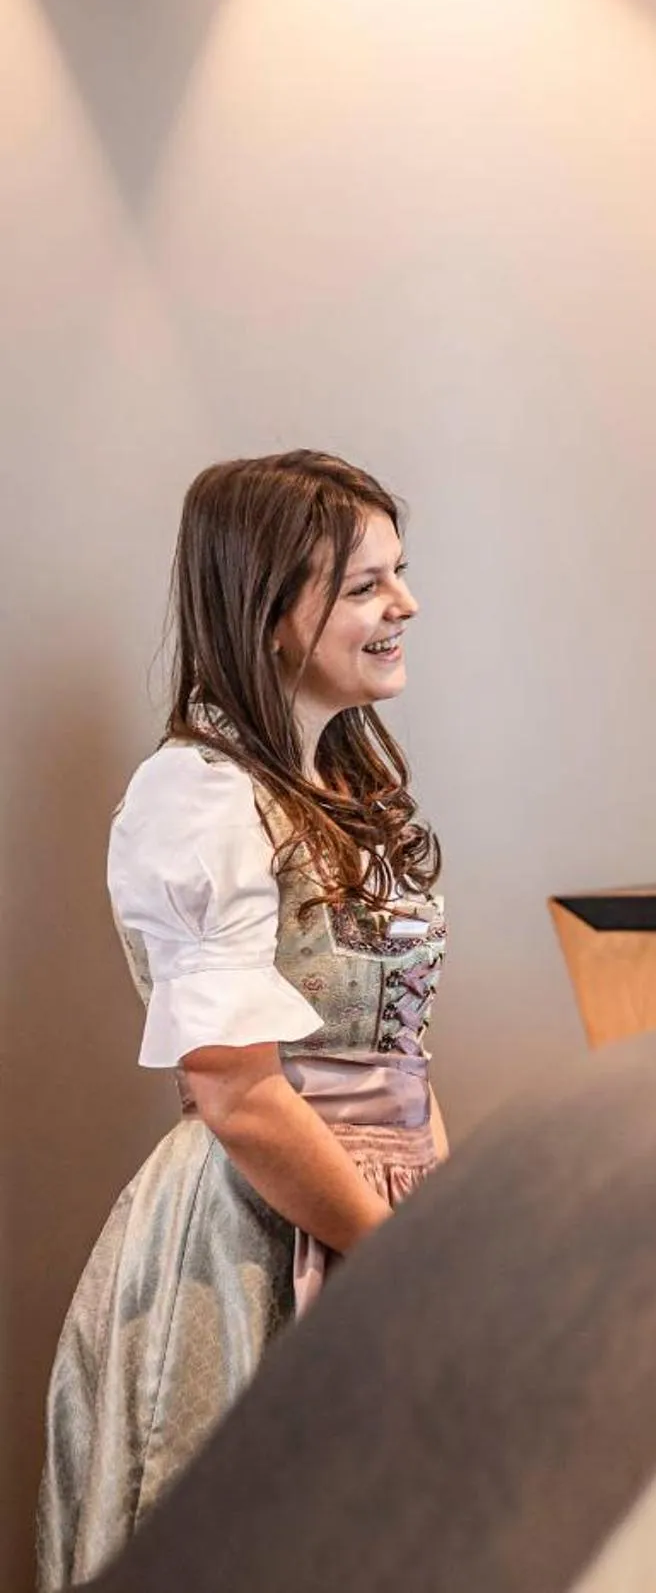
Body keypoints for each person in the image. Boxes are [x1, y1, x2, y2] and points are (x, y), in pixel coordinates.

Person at [39, 451, 448, 1588]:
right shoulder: (202, 799)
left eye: (398, 573)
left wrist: (434, 1222)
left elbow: (399, 1056)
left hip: (383, 1201)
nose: (405, 604)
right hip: (258, 1227)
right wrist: (387, 1252)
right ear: (270, 616)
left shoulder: (341, 792)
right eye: (366, 585)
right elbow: (235, 1089)